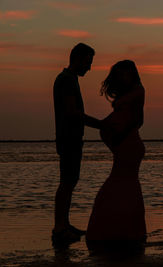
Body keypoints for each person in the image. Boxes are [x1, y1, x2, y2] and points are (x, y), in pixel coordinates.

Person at [86, 60, 146, 252]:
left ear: (133, 74)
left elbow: (138, 119)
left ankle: (122, 231)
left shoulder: (138, 91)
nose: (123, 77)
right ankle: (122, 230)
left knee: (120, 185)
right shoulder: (126, 94)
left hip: (129, 144)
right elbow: (117, 118)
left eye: (126, 73)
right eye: (120, 74)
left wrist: (120, 134)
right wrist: (102, 126)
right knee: (123, 186)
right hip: (122, 144)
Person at [53, 43, 102, 245]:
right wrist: (100, 124)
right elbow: (72, 112)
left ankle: (64, 223)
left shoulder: (69, 79)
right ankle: (60, 227)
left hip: (70, 137)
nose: (89, 68)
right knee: (67, 182)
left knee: (70, 181)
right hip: (68, 138)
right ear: (78, 58)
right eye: (88, 62)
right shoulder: (66, 80)